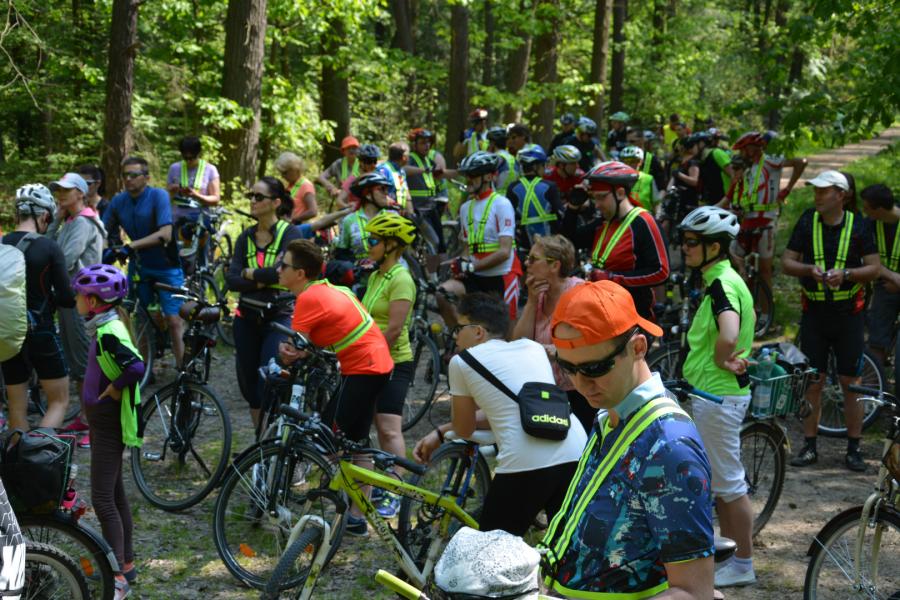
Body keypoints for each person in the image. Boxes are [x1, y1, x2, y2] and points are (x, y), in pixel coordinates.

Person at [541, 280, 714, 599]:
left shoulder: (669, 446)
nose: (581, 384)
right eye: (568, 368)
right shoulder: (611, 411)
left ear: (638, 348)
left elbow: (693, 592)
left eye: (595, 368)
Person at [413, 292, 587, 536]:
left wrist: (442, 432)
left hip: (526, 459)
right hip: (575, 447)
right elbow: (516, 411)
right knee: (565, 544)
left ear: (478, 332)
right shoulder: (532, 347)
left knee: (492, 546)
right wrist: (441, 432)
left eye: (459, 328)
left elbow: (464, 428)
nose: (455, 336)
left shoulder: (461, 362)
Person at [277, 239, 394, 536]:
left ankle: (316, 509)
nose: (278, 270)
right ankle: (356, 517)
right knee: (357, 442)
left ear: (300, 273)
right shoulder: (330, 288)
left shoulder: (307, 298)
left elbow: (294, 348)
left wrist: (287, 354)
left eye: (283, 265)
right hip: (375, 364)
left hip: (363, 368)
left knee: (326, 440)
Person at [679, 206, 757, 587]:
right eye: (684, 241)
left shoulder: (722, 283)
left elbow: (728, 332)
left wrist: (721, 359)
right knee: (722, 484)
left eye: (692, 242)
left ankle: (742, 564)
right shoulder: (723, 278)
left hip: (718, 395)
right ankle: (731, 557)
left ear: (715, 247)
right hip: (715, 394)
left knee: (730, 484)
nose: (685, 247)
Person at [782, 170, 879, 472]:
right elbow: (786, 262)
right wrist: (808, 270)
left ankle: (854, 449)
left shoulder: (859, 225)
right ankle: (810, 446)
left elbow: (874, 268)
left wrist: (847, 274)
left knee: (852, 383)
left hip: (849, 316)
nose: (817, 196)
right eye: (816, 190)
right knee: (813, 380)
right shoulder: (807, 220)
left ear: (841, 195)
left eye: (824, 191)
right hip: (814, 314)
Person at [71, 263, 144, 600]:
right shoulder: (104, 326)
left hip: (108, 422)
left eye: (79, 296)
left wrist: (114, 388)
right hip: (102, 421)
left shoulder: (110, 331)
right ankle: (126, 564)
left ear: (93, 301)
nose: (75, 300)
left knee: (102, 497)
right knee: (115, 495)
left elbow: (136, 366)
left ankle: (116, 577)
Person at [225, 177, 303, 427]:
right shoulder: (245, 237)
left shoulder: (290, 233)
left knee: (269, 380)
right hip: (246, 318)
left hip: (279, 316)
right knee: (250, 387)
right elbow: (232, 280)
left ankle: (275, 436)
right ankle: (260, 439)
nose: (252, 201)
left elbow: (282, 274)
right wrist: (265, 278)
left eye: (259, 197)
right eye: (251, 196)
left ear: (276, 202)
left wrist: (249, 274)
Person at [1, 184, 75, 431]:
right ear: (44, 216)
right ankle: (40, 451)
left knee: (16, 408)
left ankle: (17, 453)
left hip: (8, 334)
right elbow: (67, 298)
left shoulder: (2, 245)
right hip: (40, 331)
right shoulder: (48, 247)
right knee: (59, 401)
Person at [360, 213, 418, 517]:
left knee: (389, 429)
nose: (367, 245)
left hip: (394, 361)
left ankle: (396, 491)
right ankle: (381, 483)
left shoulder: (401, 279)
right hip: (371, 360)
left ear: (392, 245)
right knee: (372, 425)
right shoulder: (376, 276)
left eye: (373, 240)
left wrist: (362, 351)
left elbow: (394, 329)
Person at [104, 156, 186, 367]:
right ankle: (144, 369)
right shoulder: (119, 201)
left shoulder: (158, 195)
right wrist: (107, 250)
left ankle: (183, 370)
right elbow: (102, 230)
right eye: (125, 175)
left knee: (174, 320)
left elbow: (165, 234)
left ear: (147, 177)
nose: (128, 179)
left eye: (134, 175)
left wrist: (131, 246)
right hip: (139, 266)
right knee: (138, 317)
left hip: (166, 266)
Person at [561, 161, 670, 320]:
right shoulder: (604, 222)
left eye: (601, 197)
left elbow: (661, 272)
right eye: (593, 198)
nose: (597, 205)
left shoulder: (644, 222)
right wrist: (572, 208)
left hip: (633, 316)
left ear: (620, 193)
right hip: (602, 310)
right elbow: (570, 240)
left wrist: (613, 278)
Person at [723, 131, 807, 325]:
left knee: (764, 270)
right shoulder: (747, 168)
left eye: (744, 149)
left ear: (754, 147)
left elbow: (801, 162)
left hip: (766, 221)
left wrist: (787, 189)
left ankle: (766, 315)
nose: (742, 153)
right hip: (747, 220)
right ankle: (745, 310)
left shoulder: (770, 161)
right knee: (736, 261)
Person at [47, 172, 106, 448]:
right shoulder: (71, 221)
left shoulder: (83, 222)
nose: (60, 194)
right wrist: (56, 218)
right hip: (71, 298)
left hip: (82, 300)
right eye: (58, 190)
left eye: (66, 190)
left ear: (80, 193)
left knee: (85, 363)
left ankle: (96, 426)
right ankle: (84, 417)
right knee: (78, 361)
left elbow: (66, 258)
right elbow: (47, 245)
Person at [511, 235, 593, 431]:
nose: (526, 263)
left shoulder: (579, 293)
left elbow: (592, 343)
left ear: (555, 265)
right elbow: (518, 344)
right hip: (547, 391)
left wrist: (559, 351)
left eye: (533, 259)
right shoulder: (538, 294)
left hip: (582, 392)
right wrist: (531, 303)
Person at [438, 151, 519, 327]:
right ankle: (460, 337)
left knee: (506, 332)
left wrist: (470, 266)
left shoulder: (502, 204)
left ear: (489, 176)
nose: (468, 179)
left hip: (502, 276)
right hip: (476, 276)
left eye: (473, 175)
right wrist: (460, 262)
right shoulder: (466, 208)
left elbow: (505, 252)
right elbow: (468, 248)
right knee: (441, 294)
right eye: (467, 175)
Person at [862, 184, 900, 392]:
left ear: (879, 210)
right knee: (877, 337)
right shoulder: (870, 225)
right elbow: (868, 261)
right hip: (885, 285)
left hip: (890, 283)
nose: (864, 211)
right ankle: (873, 390)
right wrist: (893, 277)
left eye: (867, 208)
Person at [405, 128, 454, 252]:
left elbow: (441, 173)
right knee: (433, 241)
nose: (427, 145)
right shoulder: (410, 158)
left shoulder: (427, 160)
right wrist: (423, 170)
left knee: (441, 244)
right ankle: (426, 263)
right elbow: (402, 169)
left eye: (428, 142)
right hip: (418, 209)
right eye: (422, 143)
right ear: (414, 145)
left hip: (430, 207)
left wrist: (461, 172)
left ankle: (439, 264)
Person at [506, 145, 562, 248]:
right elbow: (560, 213)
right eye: (543, 165)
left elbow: (509, 217)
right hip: (549, 244)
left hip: (524, 243)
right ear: (536, 167)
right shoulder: (550, 186)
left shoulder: (512, 188)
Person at [334, 171, 396, 262]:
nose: (386, 193)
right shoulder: (349, 221)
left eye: (387, 189)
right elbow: (341, 254)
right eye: (382, 189)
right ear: (368, 195)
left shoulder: (393, 217)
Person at [274, 152, 317, 224]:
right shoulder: (290, 185)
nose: (282, 176)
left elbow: (313, 211)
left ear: (295, 169)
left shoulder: (306, 185)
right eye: (281, 173)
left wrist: (293, 220)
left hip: (299, 228)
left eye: (285, 173)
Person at [694, 131, 735, 206]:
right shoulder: (702, 160)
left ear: (702, 143)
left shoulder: (717, 153)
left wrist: (729, 198)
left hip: (724, 201)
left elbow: (734, 175)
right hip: (712, 201)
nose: (692, 147)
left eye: (694, 144)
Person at [619, 145, 659, 211]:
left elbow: (656, 203)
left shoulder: (648, 179)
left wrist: (657, 216)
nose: (629, 164)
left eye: (633, 161)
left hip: (644, 216)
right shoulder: (617, 179)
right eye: (626, 161)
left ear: (640, 162)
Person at [377, 142, 412, 213]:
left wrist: (410, 213)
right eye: (408, 155)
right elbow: (378, 194)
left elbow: (405, 192)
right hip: (386, 214)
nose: (409, 158)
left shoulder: (401, 171)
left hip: (399, 214)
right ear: (404, 157)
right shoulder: (384, 170)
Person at [486, 127, 517, 196]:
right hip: (512, 198)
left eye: (489, 142)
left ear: (493, 143)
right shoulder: (513, 159)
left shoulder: (495, 159)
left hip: (496, 198)